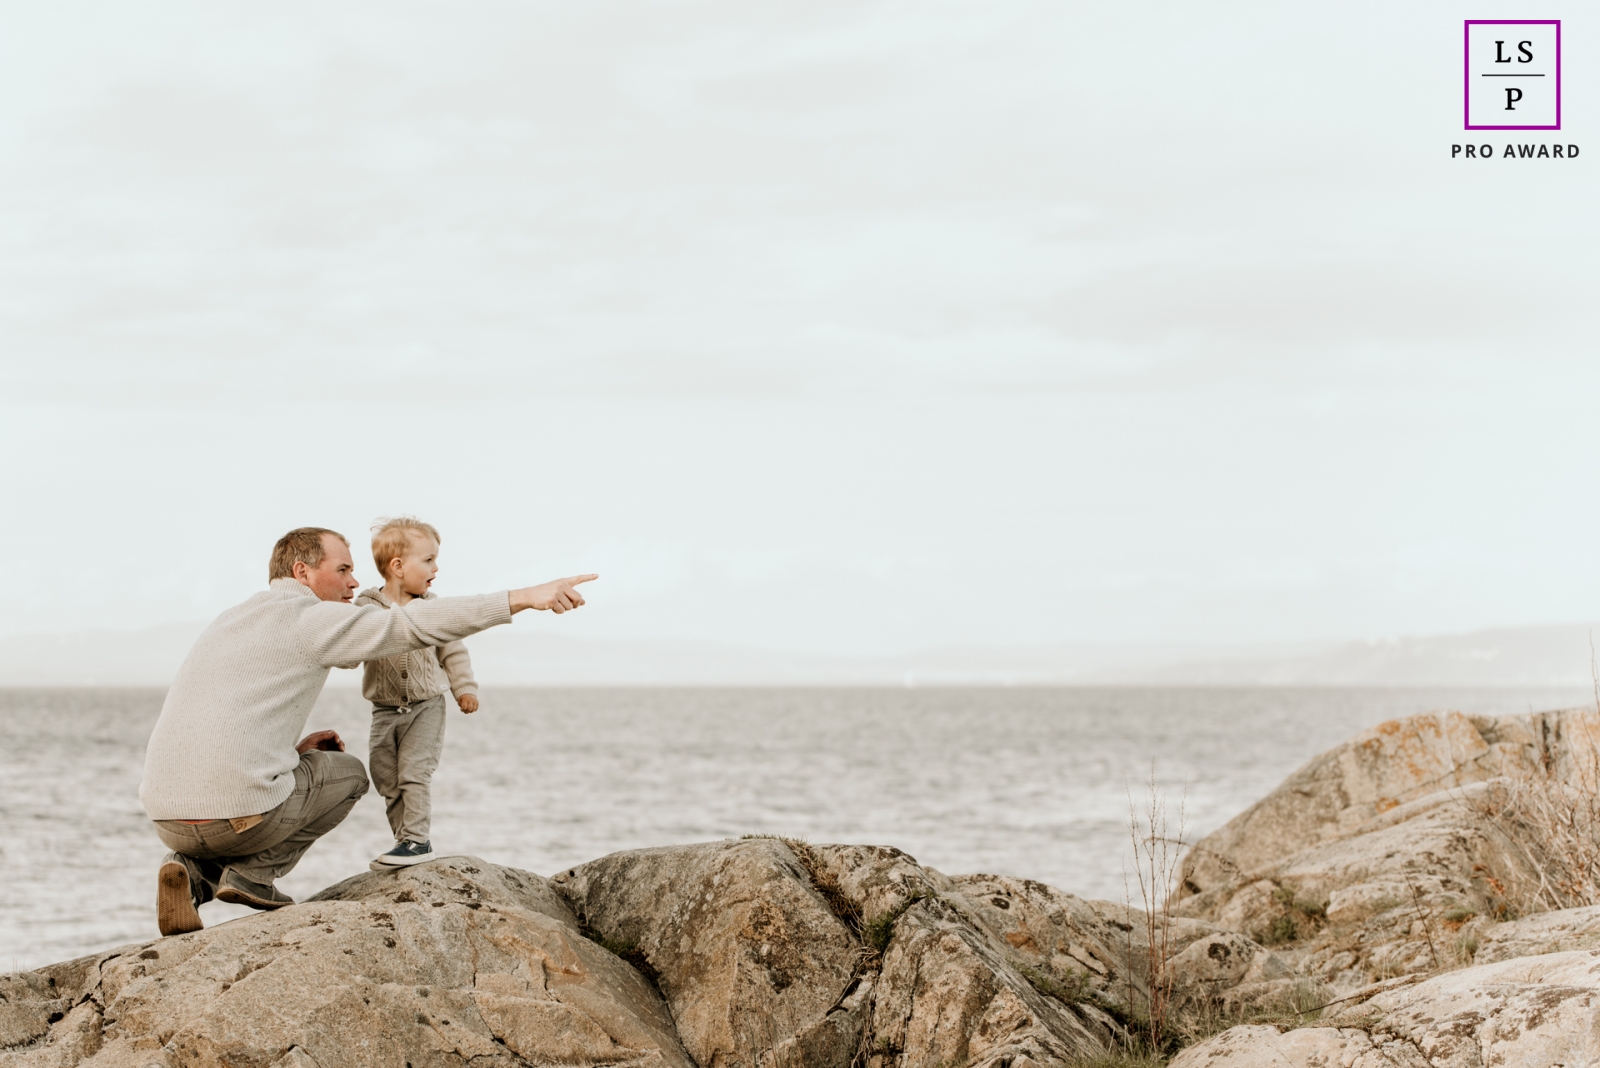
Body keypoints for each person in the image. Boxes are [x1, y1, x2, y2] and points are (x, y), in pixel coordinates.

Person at [139, 526, 595, 937]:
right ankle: (253, 875)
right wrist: (523, 597)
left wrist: (291, 752)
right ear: (303, 571)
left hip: (166, 819)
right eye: (342, 570)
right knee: (351, 775)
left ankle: (189, 871)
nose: (355, 583)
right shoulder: (310, 618)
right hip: (237, 822)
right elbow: (412, 625)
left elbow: (217, 719)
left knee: (282, 777)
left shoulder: (230, 619)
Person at [355, 516, 480, 870]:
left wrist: (464, 688)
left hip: (426, 707)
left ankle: (417, 839)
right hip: (383, 711)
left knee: (413, 773)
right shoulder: (366, 609)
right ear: (397, 567)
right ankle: (403, 842)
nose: (435, 568)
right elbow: (349, 642)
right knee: (386, 778)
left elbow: (453, 651)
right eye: (428, 560)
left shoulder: (433, 609)